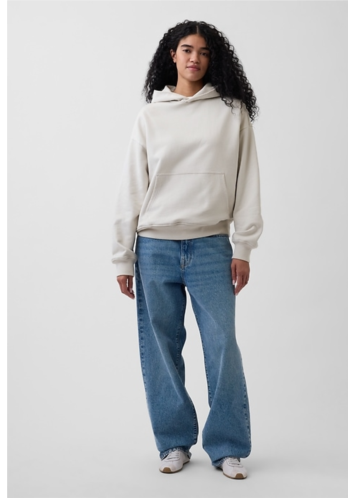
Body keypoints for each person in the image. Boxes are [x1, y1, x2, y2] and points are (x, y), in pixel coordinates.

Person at [111, 20, 263, 480]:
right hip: (154, 246)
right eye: (187, 49)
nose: (195, 58)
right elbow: (132, 187)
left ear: (213, 60)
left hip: (212, 246)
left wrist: (244, 246)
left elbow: (247, 181)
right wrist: (122, 254)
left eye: (204, 51)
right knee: (161, 349)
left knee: (222, 347)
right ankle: (173, 442)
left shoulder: (232, 112)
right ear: (172, 56)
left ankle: (228, 446)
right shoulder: (150, 116)